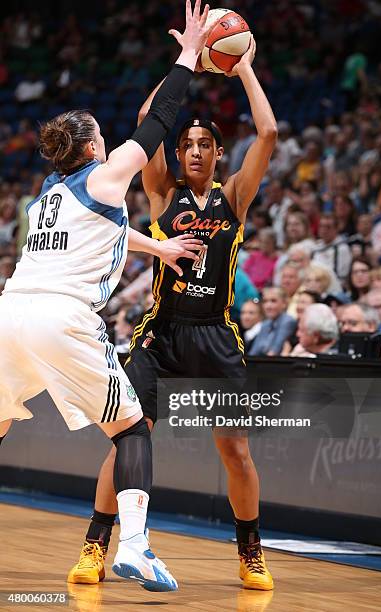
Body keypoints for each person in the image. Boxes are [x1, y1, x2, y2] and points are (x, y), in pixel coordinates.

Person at [0, 0, 213, 592]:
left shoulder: (51, 191)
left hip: (9, 311)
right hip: (61, 318)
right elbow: (159, 122)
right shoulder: (107, 171)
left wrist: (161, 250)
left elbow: (108, 231)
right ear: (94, 148)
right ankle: (138, 547)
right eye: (102, 135)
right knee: (131, 431)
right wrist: (189, 56)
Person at [69, 35, 278, 591]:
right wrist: (186, 63)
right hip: (161, 332)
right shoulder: (163, 194)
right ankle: (95, 544)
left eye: (203, 144)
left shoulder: (234, 197)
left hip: (216, 332)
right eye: (185, 143)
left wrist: (246, 70)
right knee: (129, 435)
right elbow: (146, 116)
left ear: (216, 154)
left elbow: (270, 133)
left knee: (235, 449)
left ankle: (250, 551)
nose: (192, 150)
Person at [248, 287, 296, 357]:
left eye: (273, 301)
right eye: (265, 301)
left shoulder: (288, 321)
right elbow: (253, 352)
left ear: (284, 304)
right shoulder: (265, 324)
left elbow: (275, 351)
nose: (268, 306)